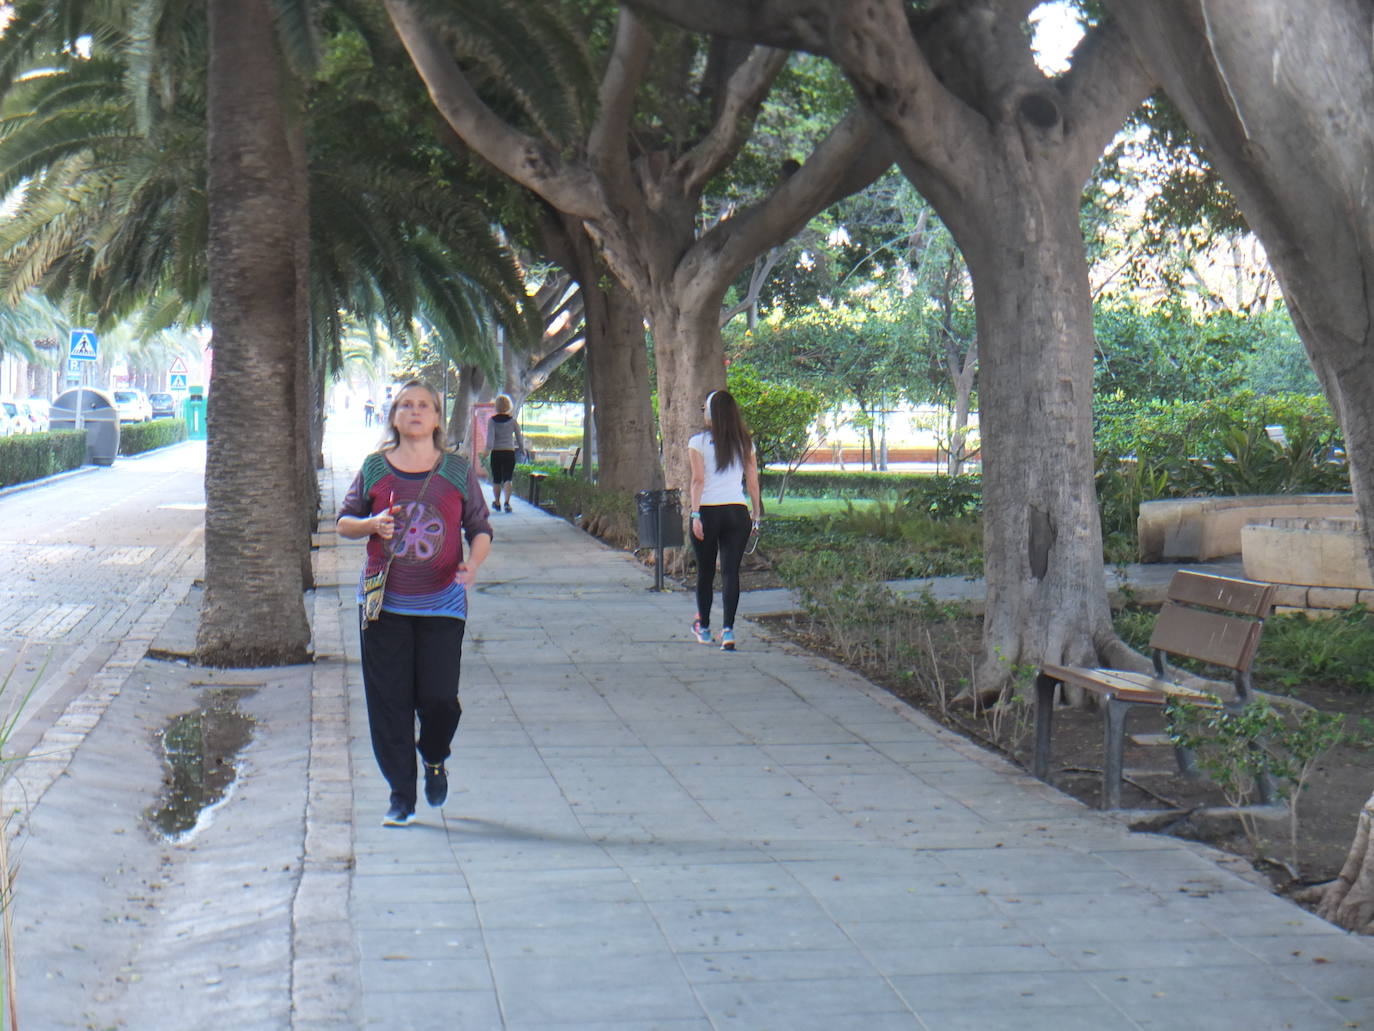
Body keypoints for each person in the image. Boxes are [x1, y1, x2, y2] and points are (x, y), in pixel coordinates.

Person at [337, 379, 493, 826]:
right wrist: (372, 524)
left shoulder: (456, 471)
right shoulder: (374, 468)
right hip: (383, 605)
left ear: (438, 418)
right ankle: (400, 795)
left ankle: (435, 755)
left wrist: (474, 563)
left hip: (443, 602)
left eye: (424, 405)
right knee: (390, 702)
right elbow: (345, 522)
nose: (415, 411)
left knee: (440, 699)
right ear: (394, 417)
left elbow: (479, 526)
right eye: (405, 405)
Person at [687, 389, 762, 651]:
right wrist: (756, 513)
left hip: (707, 511)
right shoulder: (745, 442)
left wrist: (695, 514)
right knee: (731, 572)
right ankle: (728, 630)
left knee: (706, 572)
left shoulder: (697, 442)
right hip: (736, 511)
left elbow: (698, 480)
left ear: (709, 412)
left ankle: (704, 628)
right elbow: (752, 481)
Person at [485, 394, 525, 512]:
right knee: (508, 478)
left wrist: (486, 452)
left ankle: (497, 502)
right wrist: (522, 450)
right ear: (508, 406)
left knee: (496, 479)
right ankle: (507, 503)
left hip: (496, 453)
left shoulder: (492, 421)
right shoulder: (513, 421)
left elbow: (490, 440)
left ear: (496, 406)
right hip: (509, 453)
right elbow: (519, 437)